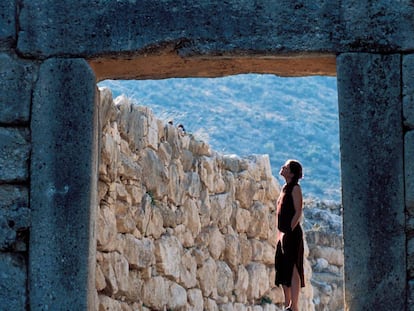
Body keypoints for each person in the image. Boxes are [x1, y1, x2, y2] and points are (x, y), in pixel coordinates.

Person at [275, 159, 305, 311]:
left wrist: (289, 230)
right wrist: (280, 234)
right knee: (282, 268)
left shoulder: (295, 189)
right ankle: (287, 303)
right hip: (282, 234)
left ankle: (294, 306)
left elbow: (298, 211)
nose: (282, 168)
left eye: (285, 167)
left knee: (293, 267)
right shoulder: (284, 188)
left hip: (291, 234)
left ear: (292, 173)